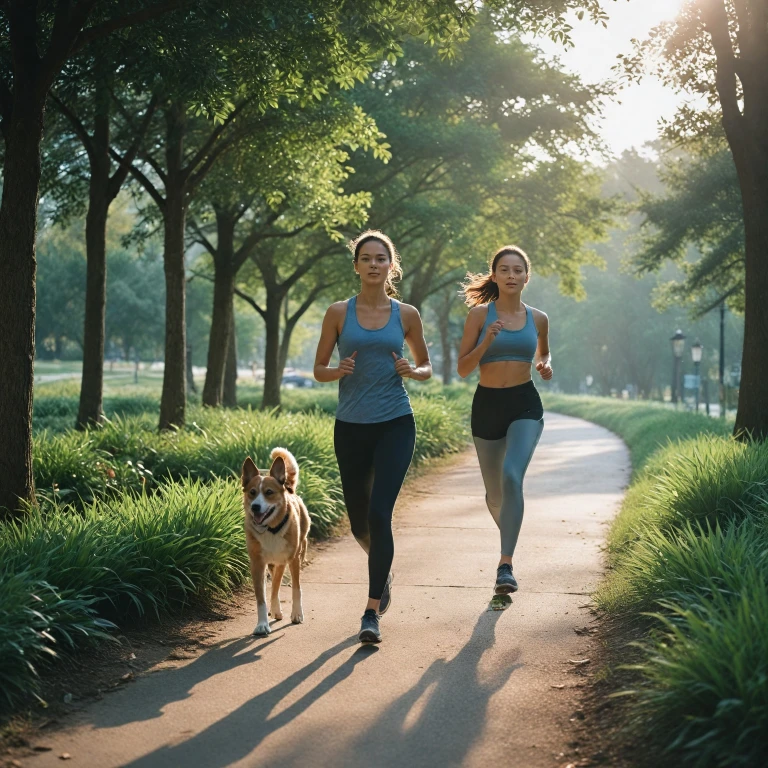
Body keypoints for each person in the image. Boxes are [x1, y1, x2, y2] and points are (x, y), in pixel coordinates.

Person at [314, 230, 432, 643]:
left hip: (396, 422)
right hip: (350, 426)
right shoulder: (338, 313)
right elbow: (319, 369)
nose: (373, 264)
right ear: (357, 265)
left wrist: (412, 372)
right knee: (359, 523)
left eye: (381, 258)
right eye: (366, 258)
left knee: (380, 514)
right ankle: (383, 569)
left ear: (391, 265)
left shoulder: (407, 314)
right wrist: (338, 371)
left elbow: (426, 366)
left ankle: (370, 613)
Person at [456, 245, 552, 596]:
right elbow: (464, 368)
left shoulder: (538, 317)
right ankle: (509, 533)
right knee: (494, 494)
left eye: (518, 270)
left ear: (527, 276)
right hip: (487, 405)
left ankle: (505, 564)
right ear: (494, 275)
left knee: (512, 476)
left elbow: (543, 350)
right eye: (505, 269)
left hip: (524, 403)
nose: (512, 275)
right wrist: (487, 341)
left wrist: (545, 364)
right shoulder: (479, 317)